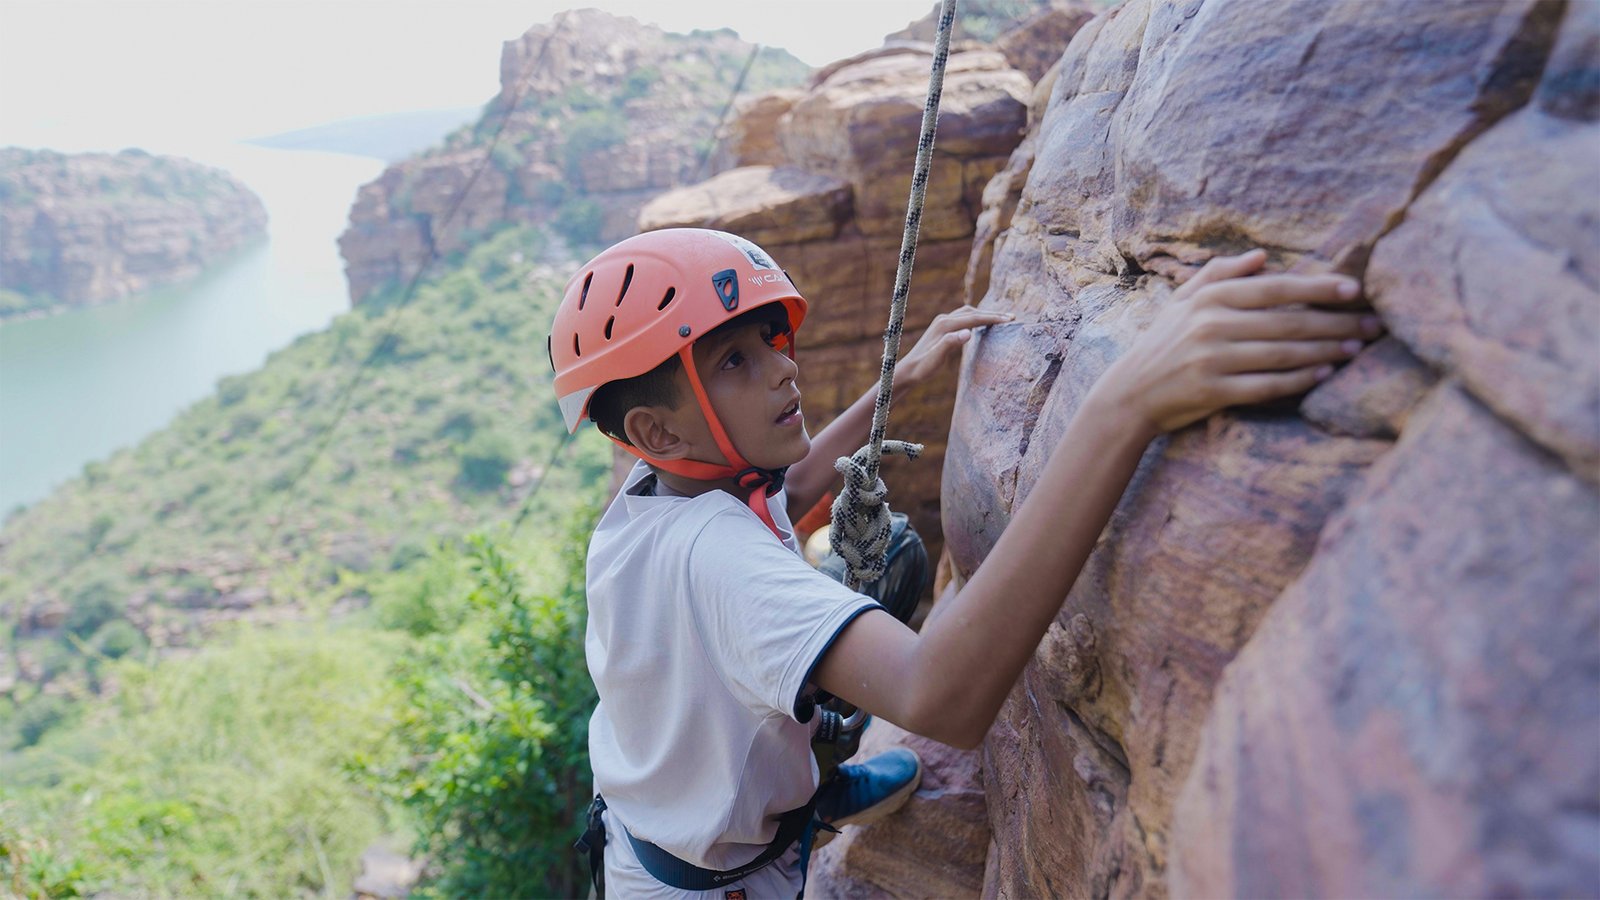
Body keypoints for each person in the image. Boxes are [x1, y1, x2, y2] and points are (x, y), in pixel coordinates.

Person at [551, 228, 1378, 897]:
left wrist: (898, 378)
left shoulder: (656, 495)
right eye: (734, 362)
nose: (783, 366)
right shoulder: (718, 562)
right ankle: (797, 798)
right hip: (719, 880)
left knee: (882, 567)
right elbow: (937, 696)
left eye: (768, 340)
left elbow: (786, 491)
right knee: (869, 596)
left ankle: (800, 787)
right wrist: (1124, 404)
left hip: (662, 810)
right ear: (657, 430)